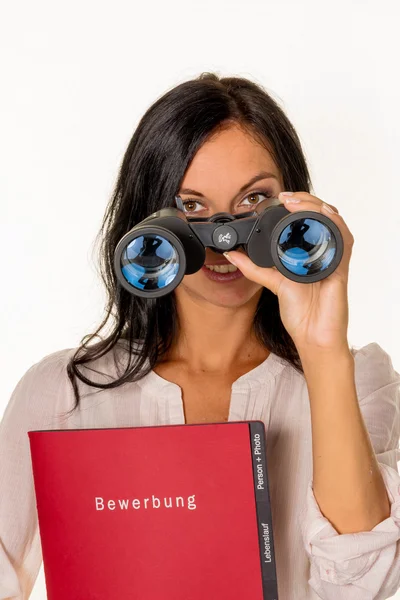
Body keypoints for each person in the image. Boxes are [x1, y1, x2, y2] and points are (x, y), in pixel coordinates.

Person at [1, 73, 400, 600]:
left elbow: (363, 586)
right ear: (148, 221)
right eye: (190, 208)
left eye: (255, 199)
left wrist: (323, 350)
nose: (223, 239)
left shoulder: (358, 382)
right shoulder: (64, 392)